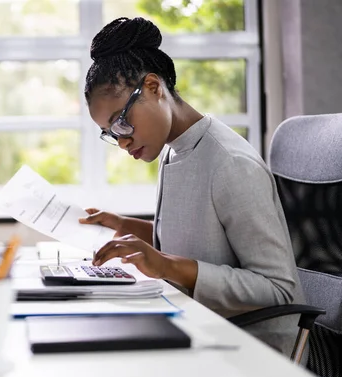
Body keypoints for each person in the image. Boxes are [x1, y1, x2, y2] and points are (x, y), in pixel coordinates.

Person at [79, 16, 305, 358]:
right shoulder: (174, 149)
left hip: (252, 350)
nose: (122, 142)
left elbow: (279, 290)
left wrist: (167, 267)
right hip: (197, 324)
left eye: (122, 122)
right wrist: (126, 227)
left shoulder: (231, 163)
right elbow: (202, 241)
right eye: (111, 134)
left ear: (154, 88)